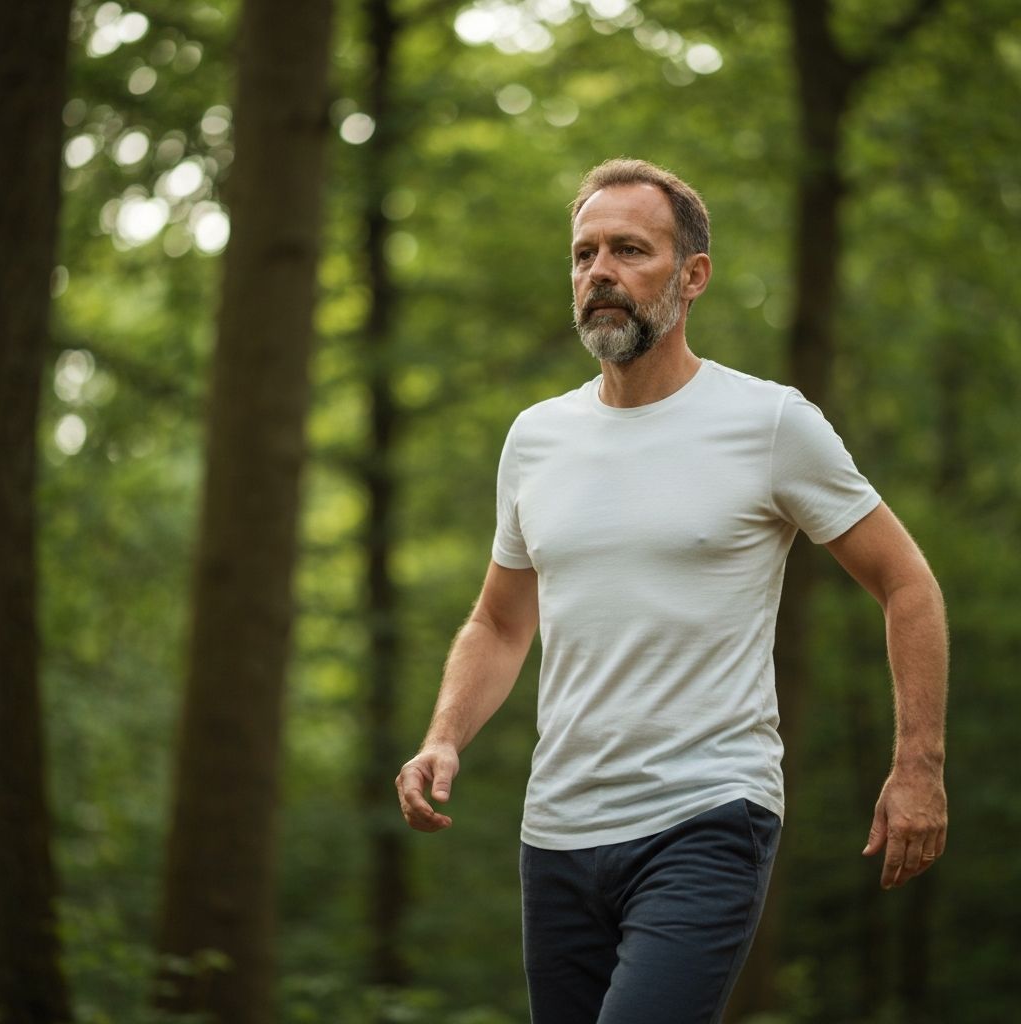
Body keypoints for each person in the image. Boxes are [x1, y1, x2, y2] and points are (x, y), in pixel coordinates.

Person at [395, 158, 948, 1024]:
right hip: (559, 833)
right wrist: (444, 737)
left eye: (629, 250)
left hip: (707, 816)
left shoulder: (770, 424)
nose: (599, 273)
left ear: (692, 277)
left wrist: (918, 766)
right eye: (583, 255)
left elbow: (907, 583)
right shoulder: (537, 438)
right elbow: (500, 624)